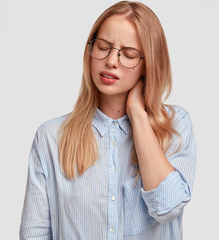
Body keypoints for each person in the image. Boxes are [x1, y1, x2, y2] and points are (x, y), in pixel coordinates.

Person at [19, 1, 196, 239]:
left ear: (149, 64)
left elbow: (168, 207)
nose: (111, 61)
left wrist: (137, 114)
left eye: (129, 54)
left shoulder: (175, 126)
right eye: (103, 47)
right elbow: (34, 234)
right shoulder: (51, 137)